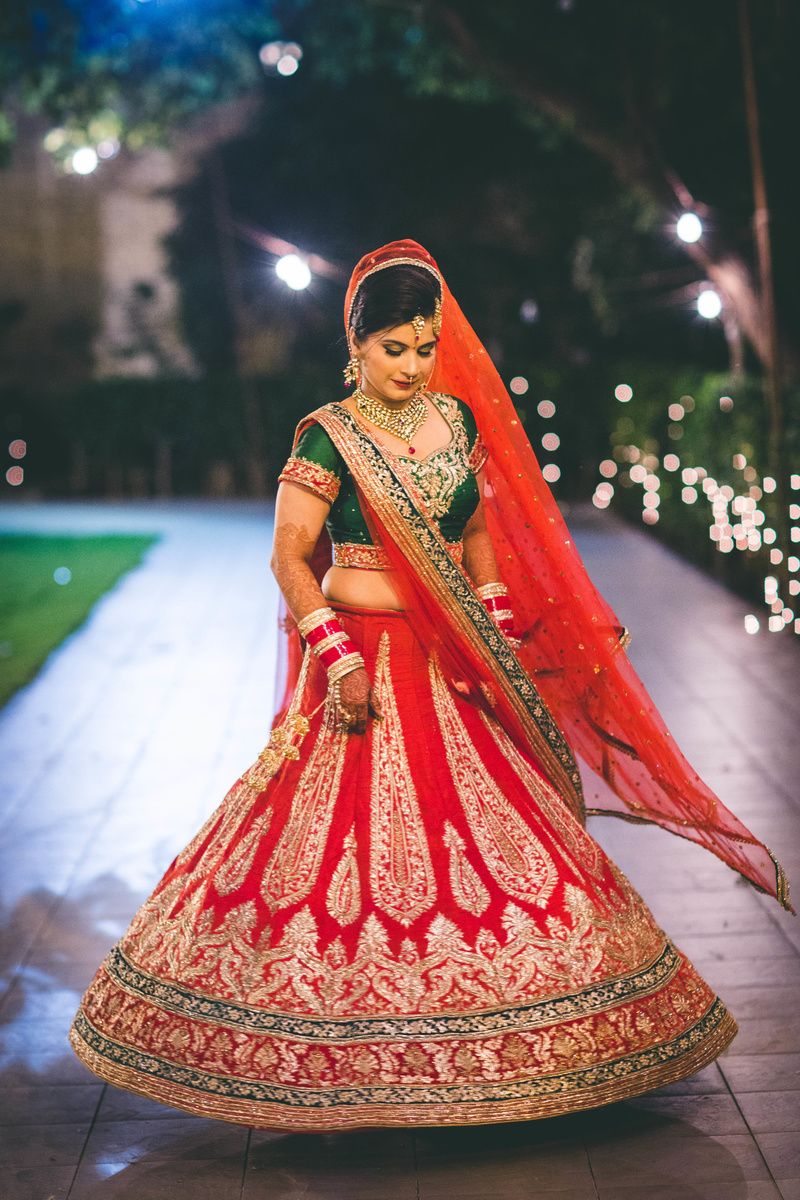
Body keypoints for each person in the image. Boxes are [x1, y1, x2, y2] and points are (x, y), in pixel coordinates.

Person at [70, 238, 792, 1132]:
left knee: (503, 837)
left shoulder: (456, 423)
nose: (411, 367)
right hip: (357, 660)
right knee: (328, 852)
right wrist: (333, 655)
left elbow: (477, 531)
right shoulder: (329, 435)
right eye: (392, 350)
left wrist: (485, 612)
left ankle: (535, 1035)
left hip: (451, 657)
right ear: (356, 347)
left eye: (423, 347)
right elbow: (290, 557)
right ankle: (333, 1049)